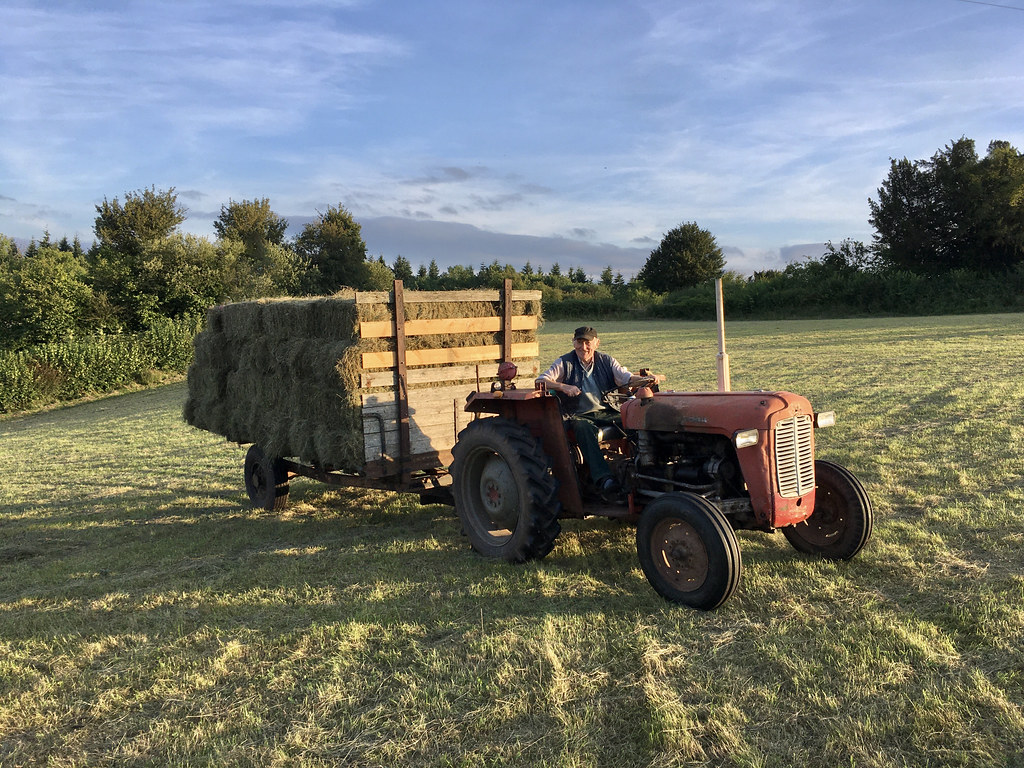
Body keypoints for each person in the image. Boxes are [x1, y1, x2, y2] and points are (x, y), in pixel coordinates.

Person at [536, 326, 658, 494]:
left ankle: (644, 469)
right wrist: (563, 386)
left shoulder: (607, 361)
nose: (583, 347)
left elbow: (627, 378)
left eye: (587, 343)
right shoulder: (564, 362)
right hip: (578, 414)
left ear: (596, 343)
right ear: (573, 343)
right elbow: (541, 380)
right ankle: (604, 479)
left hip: (607, 411)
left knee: (635, 422)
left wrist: (646, 380)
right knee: (582, 428)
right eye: (579, 342)